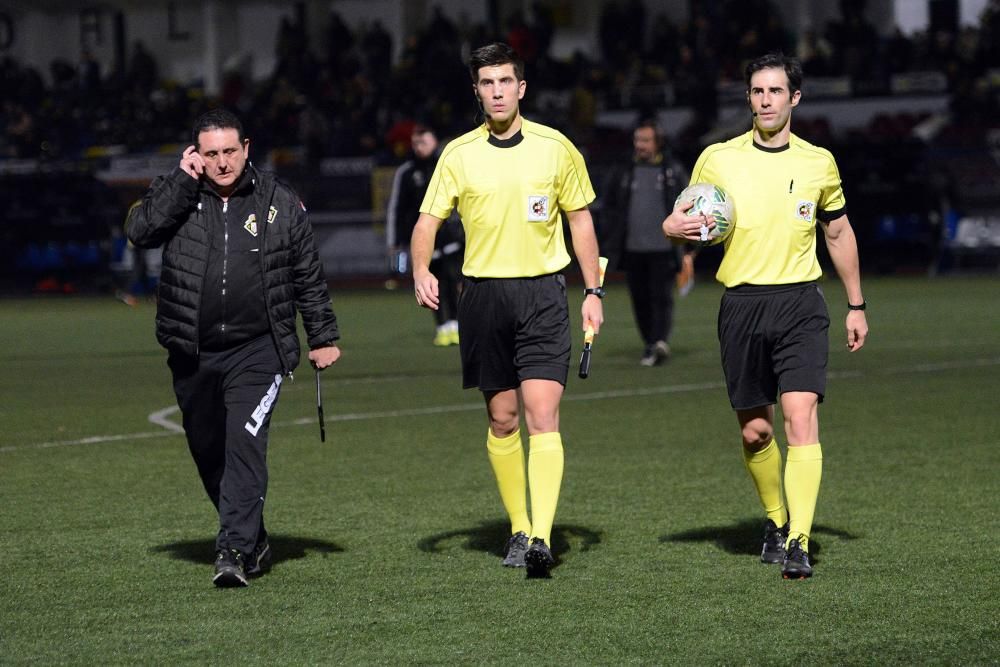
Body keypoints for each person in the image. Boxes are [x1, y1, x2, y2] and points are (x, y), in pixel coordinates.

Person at [662, 53, 868, 579]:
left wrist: (856, 304)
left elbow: (838, 232)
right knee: (757, 432)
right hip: (742, 305)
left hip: (801, 303)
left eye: (776, 91)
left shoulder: (818, 162)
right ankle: (776, 521)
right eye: (757, 92)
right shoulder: (717, 159)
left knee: (801, 420)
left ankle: (798, 540)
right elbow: (682, 217)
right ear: (749, 98)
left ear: (794, 98)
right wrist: (673, 228)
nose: (766, 100)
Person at [410, 42, 604, 578]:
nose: (496, 91)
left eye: (505, 82)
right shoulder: (458, 154)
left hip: (543, 294)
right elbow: (426, 223)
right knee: (503, 419)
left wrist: (593, 291)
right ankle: (519, 527)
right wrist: (421, 268)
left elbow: (580, 220)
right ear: (477, 91)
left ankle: (541, 536)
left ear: (522, 88)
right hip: (482, 298)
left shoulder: (555, 148)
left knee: (544, 414)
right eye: (486, 83)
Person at [126, 109, 342, 588]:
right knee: (210, 452)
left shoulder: (278, 201)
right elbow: (140, 232)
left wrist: (322, 335)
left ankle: (235, 551)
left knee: (245, 444)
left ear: (246, 148)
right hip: (192, 350)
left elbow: (306, 270)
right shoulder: (178, 192)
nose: (222, 162)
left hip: (259, 349)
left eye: (229, 151)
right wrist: (180, 184)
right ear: (195, 156)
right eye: (211, 154)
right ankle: (254, 536)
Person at [600, 118, 694, 366]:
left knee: (662, 297)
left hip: (664, 248)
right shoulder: (623, 170)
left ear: (658, 142)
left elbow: (689, 203)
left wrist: (687, 247)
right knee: (640, 299)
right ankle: (651, 343)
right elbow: (609, 206)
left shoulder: (672, 170)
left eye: (645, 140)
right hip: (632, 248)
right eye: (637, 140)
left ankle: (659, 341)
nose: (640, 145)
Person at [386, 124, 464, 346]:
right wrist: (395, 241)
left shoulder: (446, 166)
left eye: (424, 142)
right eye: (416, 143)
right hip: (424, 239)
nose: (420, 147)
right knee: (432, 283)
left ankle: (456, 325)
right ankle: (442, 327)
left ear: (434, 142)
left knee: (454, 280)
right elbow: (397, 208)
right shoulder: (407, 172)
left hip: (450, 238)